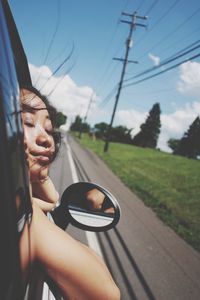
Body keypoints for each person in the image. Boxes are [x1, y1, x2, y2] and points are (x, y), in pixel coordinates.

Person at [19, 86, 120, 300]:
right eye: (28, 121)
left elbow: (52, 200)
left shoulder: (25, 207)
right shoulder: (18, 210)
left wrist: (41, 180)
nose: (47, 139)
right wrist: (35, 207)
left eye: (48, 129)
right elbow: (106, 294)